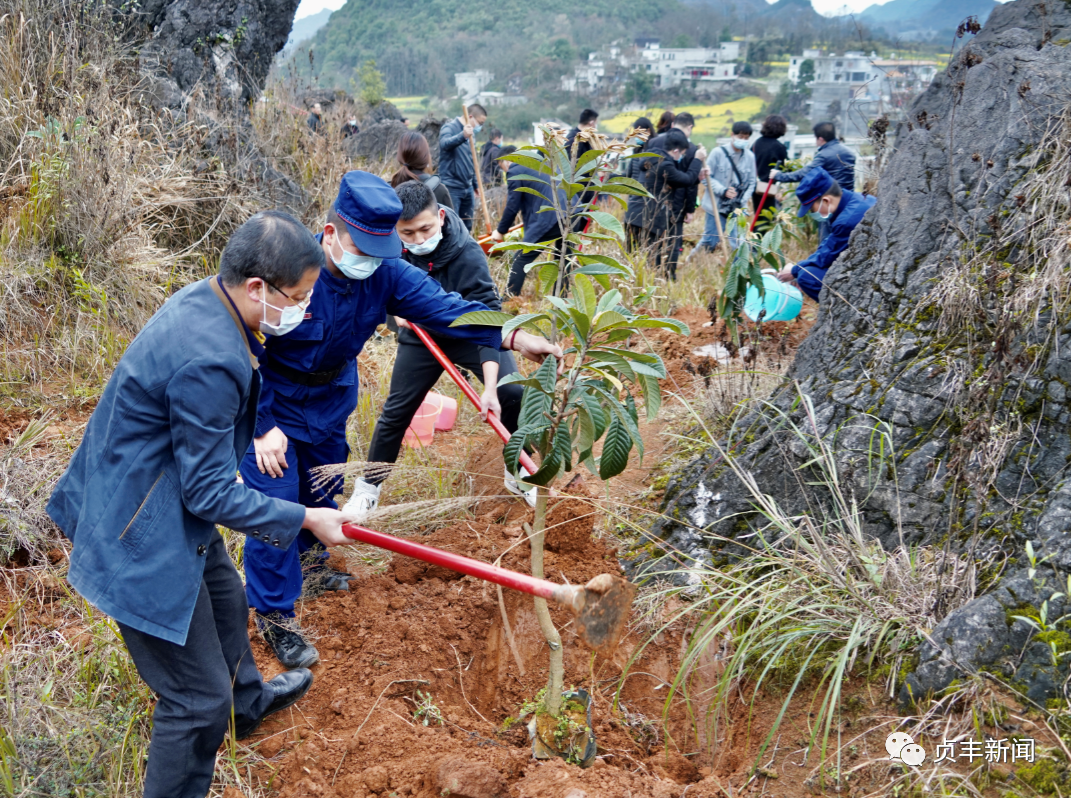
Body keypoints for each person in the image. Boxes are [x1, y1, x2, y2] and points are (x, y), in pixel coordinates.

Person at [46, 211, 357, 797]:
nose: (305, 310)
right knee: (195, 701)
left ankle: (248, 704)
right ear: (256, 288)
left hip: (150, 496)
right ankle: (218, 717)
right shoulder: (212, 359)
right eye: (299, 297)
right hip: (138, 532)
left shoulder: (209, 301)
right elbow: (208, 492)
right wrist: (305, 518)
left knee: (226, 596)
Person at [242, 171, 560, 669]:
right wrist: (261, 426)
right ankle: (274, 614)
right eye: (360, 247)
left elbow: (449, 308)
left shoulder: (386, 272)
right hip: (274, 404)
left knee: (320, 487)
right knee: (275, 507)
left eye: (379, 248)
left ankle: (312, 565)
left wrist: (516, 337)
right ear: (331, 235)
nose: (370, 259)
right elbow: (246, 345)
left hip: (330, 399)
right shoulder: (290, 270)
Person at [351, 181, 534, 511]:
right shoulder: (392, 249)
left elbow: (489, 317)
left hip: (470, 334)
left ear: (441, 216)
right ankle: (368, 488)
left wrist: (490, 388)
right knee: (397, 410)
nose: (419, 240)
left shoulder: (467, 252)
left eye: (425, 229)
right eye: (408, 233)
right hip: (422, 340)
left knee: (513, 392)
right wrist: (397, 317)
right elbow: (380, 289)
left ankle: (518, 469)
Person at [776, 167, 875, 301]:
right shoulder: (858, 199)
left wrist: (795, 270)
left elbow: (828, 256)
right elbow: (829, 244)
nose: (811, 213)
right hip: (867, 265)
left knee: (808, 276)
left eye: (812, 208)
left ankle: (843, 311)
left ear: (826, 201)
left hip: (868, 275)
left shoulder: (847, 221)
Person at [631, 113, 706, 278]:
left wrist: (697, 175)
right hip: (660, 212)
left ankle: (646, 282)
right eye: (681, 154)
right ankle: (663, 281)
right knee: (664, 252)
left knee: (641, 255)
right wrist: (697, 161)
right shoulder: (670, 161)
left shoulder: (652, 147)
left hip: (638, 210)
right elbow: (686, 181)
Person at [493, 154, 571, 297]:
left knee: (521, 258)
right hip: (572, 213)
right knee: (564, 258)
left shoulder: (515, 171)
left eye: (501, 166)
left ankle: (509, 300)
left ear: (507, 161)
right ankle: (561, 301)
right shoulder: (540, 164)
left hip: (552, 216)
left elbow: (512, 205)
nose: (504, 171)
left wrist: (500, 231)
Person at [699, 121, 757, 254]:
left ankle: (739, 271)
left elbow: (752, 182)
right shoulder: (717, 153)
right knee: (710, 241)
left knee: (738, 242)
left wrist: (743, 200)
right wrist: (723, 191)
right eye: (740, 137)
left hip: (737, 208)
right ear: (732, 135)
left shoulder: (750, 157)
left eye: (746, 138)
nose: (743, 140)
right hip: (716, 206)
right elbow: (706, 177)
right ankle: (691, 262)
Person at [772, 120, 856, 202]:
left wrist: (778, 175)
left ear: (820, 139)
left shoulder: (824, 155)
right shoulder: (849, 152)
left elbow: (804, 174)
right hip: (849, 198)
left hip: (833, 200)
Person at [439, 103, 488, 231]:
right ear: (470, 116)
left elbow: (471, 161)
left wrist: (475, 185)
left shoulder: (472, 135)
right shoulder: (449, 127)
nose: (480, 127)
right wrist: (463, 135)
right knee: (452, 226)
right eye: (479, 122)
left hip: (468, 187)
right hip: (452, 186)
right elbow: (444, 144)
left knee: (467, 225)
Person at [391, 130, 454, 211]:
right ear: (426, 157)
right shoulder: (439, 190)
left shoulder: (389, 189)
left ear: (399, 157)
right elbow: (451, 222)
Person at [752, 115, 788, 221]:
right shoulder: (779, 147)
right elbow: (787, 168)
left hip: (756, 187)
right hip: (771, 189)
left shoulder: (756, 143)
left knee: (759, 219)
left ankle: (754, 237)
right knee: (772, 221)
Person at [564, 108, 600, 208]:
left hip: (585, 190)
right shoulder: (574, 140)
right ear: (591, 123)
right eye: (596, 124)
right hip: (577, 192)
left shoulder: (586, 139)